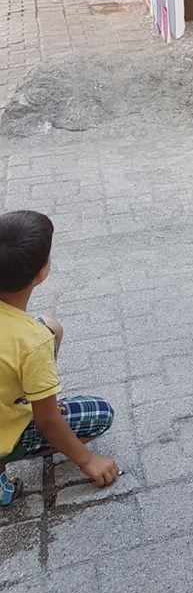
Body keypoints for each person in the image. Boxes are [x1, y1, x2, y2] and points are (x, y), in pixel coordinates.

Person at [0, 211, 119, 506]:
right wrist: (87, 461)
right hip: (5, 431)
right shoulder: (31, 342)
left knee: (50, 326)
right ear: (42, 272)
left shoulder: (30, 336)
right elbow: (48, 420)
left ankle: (33, 392)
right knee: (101, 413)